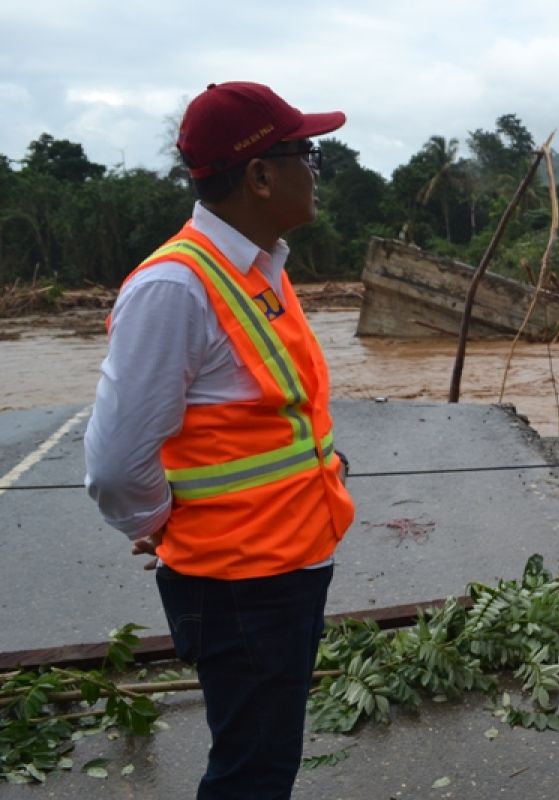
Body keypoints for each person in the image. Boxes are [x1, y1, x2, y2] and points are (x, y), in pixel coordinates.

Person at [84, 81, 355, 799]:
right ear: (261, 175)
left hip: (285, 565)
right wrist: (159, 524)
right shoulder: (174, 287)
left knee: (265, 761)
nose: (317, 168)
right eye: (307, 153)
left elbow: (273, 422)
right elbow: (114, 462)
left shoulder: (262, 270)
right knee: (251, 773)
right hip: (240, 585)